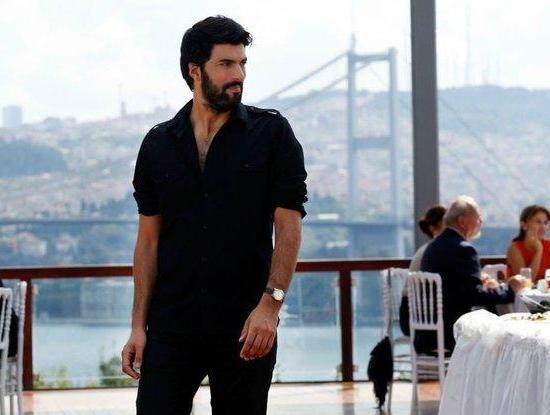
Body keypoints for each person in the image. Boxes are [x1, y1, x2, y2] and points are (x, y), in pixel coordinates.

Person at [121, 16, 308, 415]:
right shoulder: (158, 143)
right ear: (195, 69)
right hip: (172, 325)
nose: (238, 75)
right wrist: (138, 326)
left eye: (242, 63)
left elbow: (289, 227)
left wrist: (270, 307)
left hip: (246, 326)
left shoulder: (272, 134)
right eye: (226, 64)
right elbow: (148, 242)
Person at [417, 195, 523, 354]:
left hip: (426, 334)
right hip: (452, 332)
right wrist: (509, 289)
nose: (481, 222)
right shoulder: (464, 249)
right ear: (462, 221)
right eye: (478, 218)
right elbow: (475, 296)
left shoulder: (433, 246)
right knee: (503, 333)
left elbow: (457, 287)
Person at [399, 204, 446, 335]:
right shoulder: (435, 251)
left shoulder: (427, 249)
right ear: (433, 228)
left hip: (412, 316)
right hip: (422, 320)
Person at [506, 205, 550, 281]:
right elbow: (525, 281)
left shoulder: (548, 245)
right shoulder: (514, 249)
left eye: (545, 223)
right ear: (524, 225)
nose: (543, 227)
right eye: (538, 222)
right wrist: (539, 251)